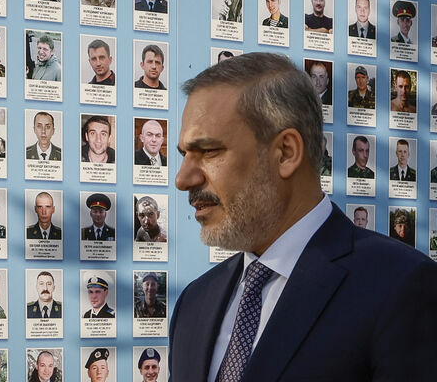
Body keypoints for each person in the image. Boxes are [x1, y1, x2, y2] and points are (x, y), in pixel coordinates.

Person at [169, 52, 437, 381]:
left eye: (208, 151)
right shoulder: (194, 303)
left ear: (286, 152)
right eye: (184, 155)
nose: (183, 179)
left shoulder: (400, 287)